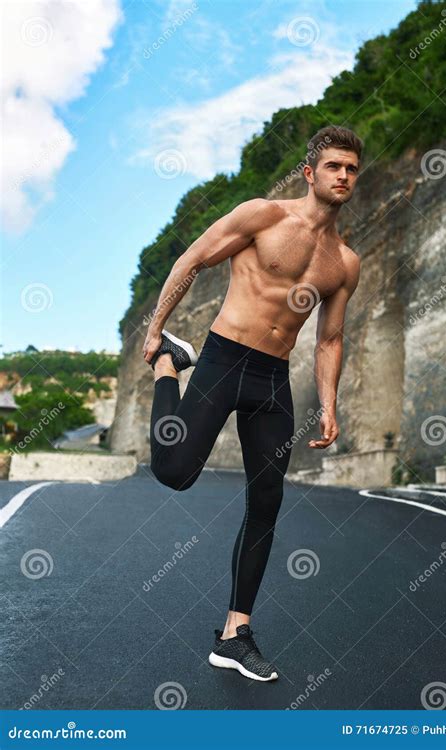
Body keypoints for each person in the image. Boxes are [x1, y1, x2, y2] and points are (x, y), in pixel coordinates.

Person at [143, 125, 362, 682]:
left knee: (266, 502)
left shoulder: (344, 263)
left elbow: (330, 338)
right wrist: (156, 331)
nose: (343, 176)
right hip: (222, 359)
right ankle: (171, 365)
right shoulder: (262, 216)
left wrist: (330, 404)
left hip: (272, 378)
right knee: (173, 471)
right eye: (334, 166)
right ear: (311, 173)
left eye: (352, 169)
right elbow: (193, 259)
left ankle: (235, 634)